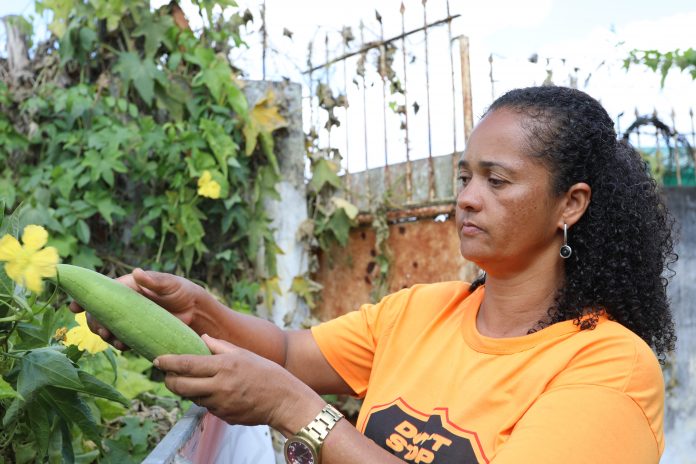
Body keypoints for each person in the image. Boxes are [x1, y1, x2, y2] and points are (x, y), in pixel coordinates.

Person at [73, 86, 676, 464]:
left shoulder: (608, 368)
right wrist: (193, 310)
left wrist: (297, 411)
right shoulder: (420, 312)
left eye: (496, 180)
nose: (466, 197)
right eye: (465, 176)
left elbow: (287, 389)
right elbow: (285, 352)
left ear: (570, 204)